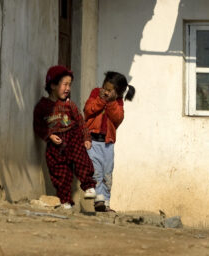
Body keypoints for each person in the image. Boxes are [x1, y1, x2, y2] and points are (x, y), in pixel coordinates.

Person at [33, 65, 97, 209]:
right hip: (55, 144)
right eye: (65, 84)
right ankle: (65, 201)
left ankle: (88, 186)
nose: (68, 88)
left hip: (72, 137)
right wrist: (49, 136)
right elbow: (38, 126)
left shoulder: (71, 106)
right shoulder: (42, 106)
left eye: (70, 85)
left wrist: (86, 138)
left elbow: (81, 122)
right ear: (53, 85)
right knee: (60, 172)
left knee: (82, 160)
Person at [84, 71, 135, 212]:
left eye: (109, 90)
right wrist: (101, 100)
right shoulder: (96, 93)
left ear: (117, 93)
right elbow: (88, 110)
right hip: (92, 141)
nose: (105, 92)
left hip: (108, 143)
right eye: (104, 88)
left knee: (107, 174)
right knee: (96, 172)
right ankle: (98, 199)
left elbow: (118, 118)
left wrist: (111, 102)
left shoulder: (117, 101)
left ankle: (105, 202)